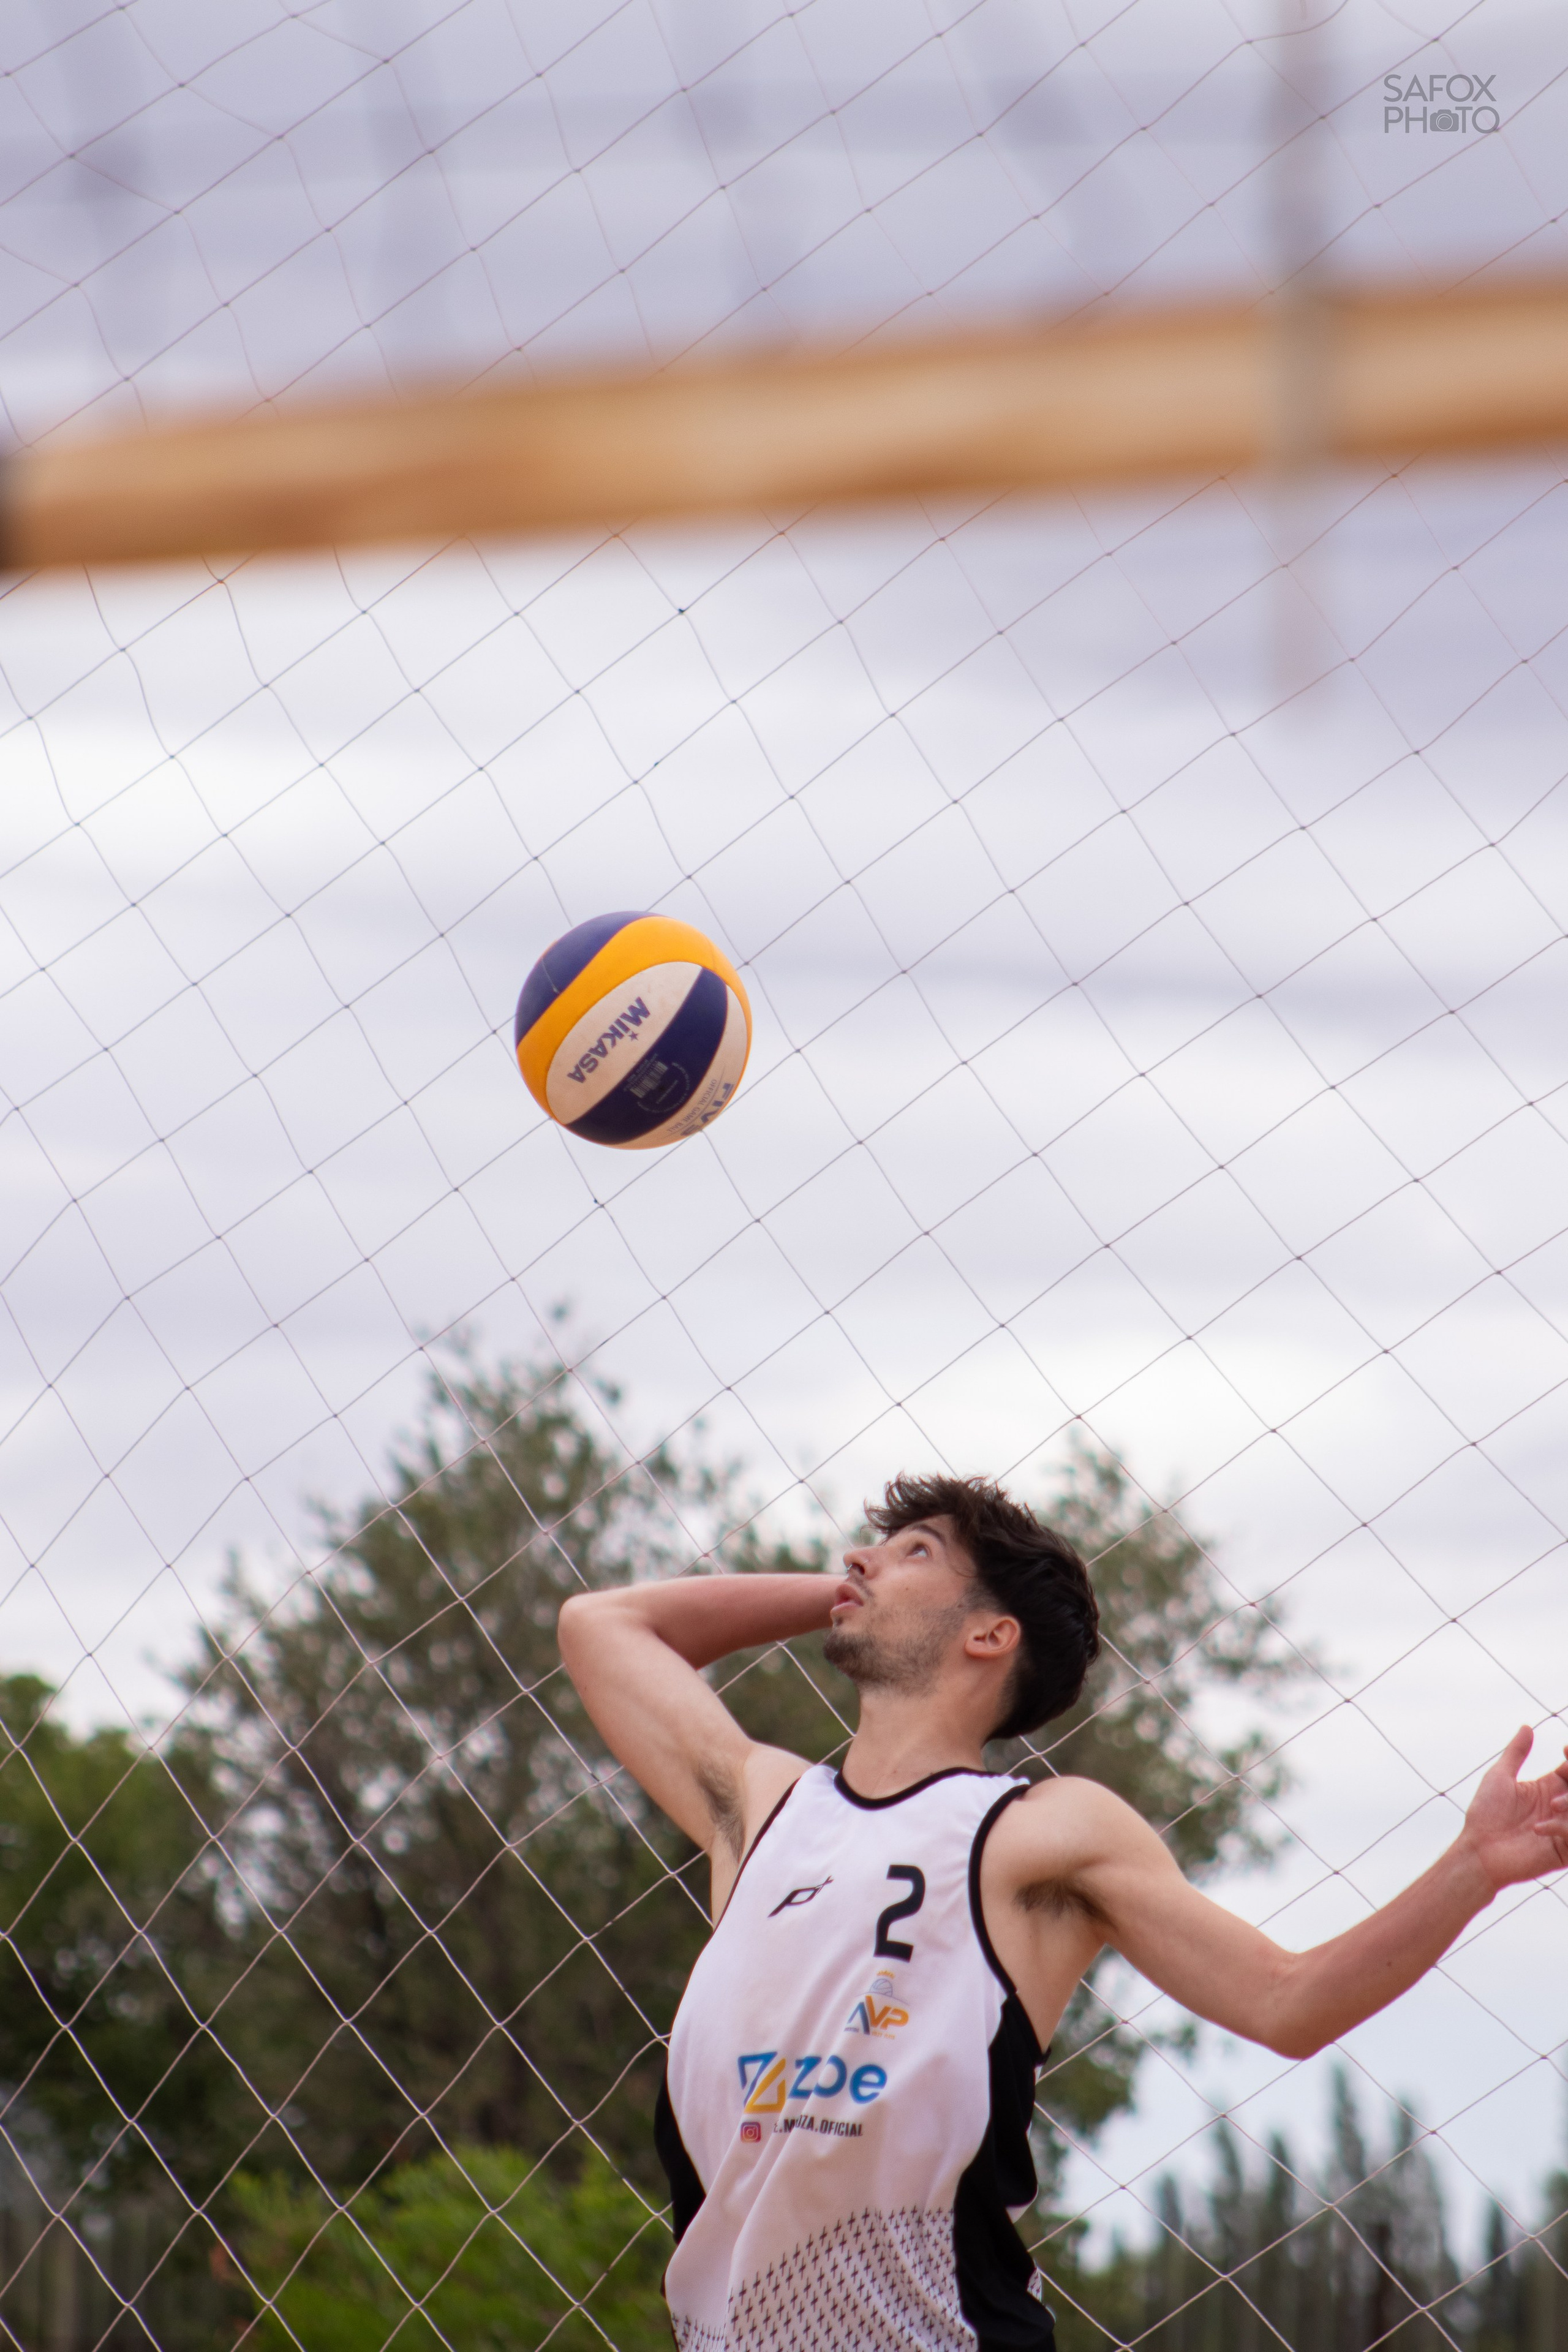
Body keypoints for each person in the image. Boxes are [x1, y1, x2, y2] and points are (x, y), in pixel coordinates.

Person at [557, 1472, 1568, 2352]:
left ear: (991, 1634)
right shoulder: (764, 1806)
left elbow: (1286, 2002)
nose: (862, 1557)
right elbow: (601, 1624)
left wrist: (1473, 1866)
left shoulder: (1041, 1831)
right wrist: (844, 1590)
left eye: (913, 1551)